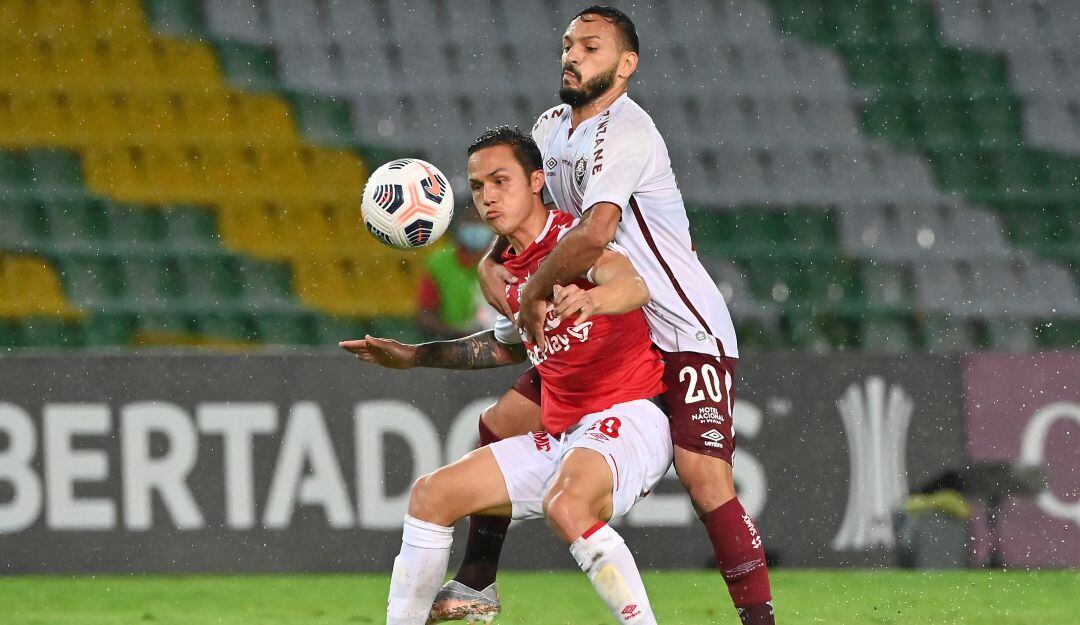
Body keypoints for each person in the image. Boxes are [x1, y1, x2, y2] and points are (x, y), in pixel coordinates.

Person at [434, 6, 776, 625]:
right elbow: (531, 215)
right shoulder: (549, 129)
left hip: (683, 326)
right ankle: (478, 582)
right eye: (569, 45)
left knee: (705, 479)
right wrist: (490, 262)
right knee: (500, 422)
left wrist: (533, 292)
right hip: (607, 325)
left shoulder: (629, 132)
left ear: (626, 65)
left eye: (591, 47)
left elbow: (593, 234)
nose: (572, 55)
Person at [342, 127, 672, 625]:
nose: (488, 197)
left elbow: (632, 284)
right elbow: (503, 348)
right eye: (478, 186)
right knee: (431, 495)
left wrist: (593, 300)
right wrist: (413, 356)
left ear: (537, 181)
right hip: (566, 432)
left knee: (566, 505)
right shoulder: (506, 271)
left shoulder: (572, 240)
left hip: (631, 416)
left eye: (501, 181)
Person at [415, 213, 495, 339]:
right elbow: (425, 313)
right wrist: (453, 334)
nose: (475, 228)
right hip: (450, 339)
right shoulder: (439, 263)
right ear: (459, 224)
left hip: (494, 339)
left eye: (480, 222)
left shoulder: (502, 260)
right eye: (470, 220)